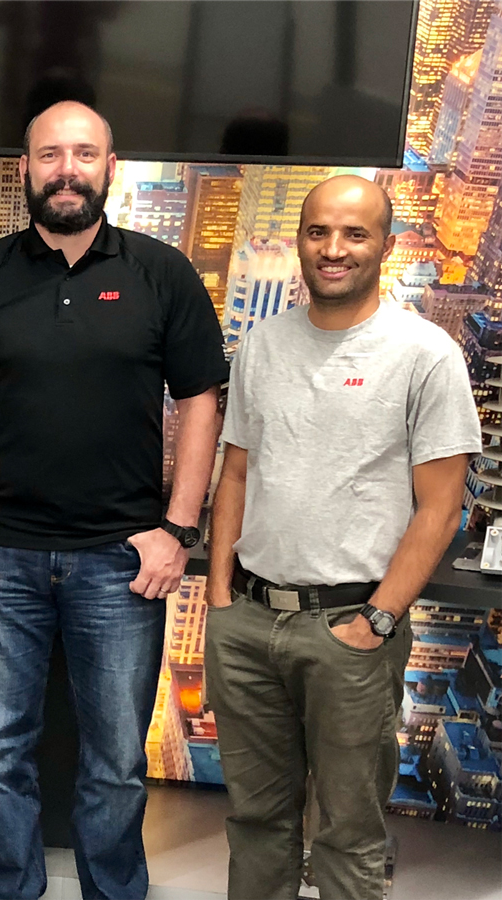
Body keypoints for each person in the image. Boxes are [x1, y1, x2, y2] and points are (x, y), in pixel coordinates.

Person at [0, 100, 228, 900]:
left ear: (109, 169)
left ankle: (114, 892)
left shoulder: (163, 273)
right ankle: (7, 890)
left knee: (117, 759)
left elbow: (201, 402)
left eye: (84, 154)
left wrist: (178, 529)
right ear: (25, 169)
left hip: (122, 562)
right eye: (50, 154)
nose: (66, 170)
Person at [205, 174, 482, 900]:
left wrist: (377, 622)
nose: (333, 249)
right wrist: (220, 597)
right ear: (300, 240)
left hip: (351, 629)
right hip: (249, 623)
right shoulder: (263, 344)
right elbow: (237, 472)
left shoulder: (425, 354)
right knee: (255, 823)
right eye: (318, 231)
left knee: (348, 834)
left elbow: (440, 509)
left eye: (355, 234)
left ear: (384, 245)